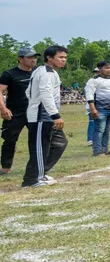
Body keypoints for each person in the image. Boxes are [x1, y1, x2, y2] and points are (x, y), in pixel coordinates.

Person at [22, 45, 69, 188]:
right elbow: (45, 94)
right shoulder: (45, 73)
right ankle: (31, 180)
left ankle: (40, 173)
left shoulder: (51, 72)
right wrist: (55, 115)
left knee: (60, 143)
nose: (63, 60)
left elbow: (28, 92)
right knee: (40, 148)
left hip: (47, 116)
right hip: (41, 117)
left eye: (65, 58)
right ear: (49, 58)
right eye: (60, 57)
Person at [0, 47, 37, 175]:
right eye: (30, 57)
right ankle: (5, 167)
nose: (34, 60)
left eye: (35, 57)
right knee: (9, 140)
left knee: (38, 139)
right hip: (15, 113)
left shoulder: (38, 72)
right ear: (20, 59)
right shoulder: (9, 74)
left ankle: (38, 166)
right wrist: (3, 108)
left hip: (35, 112)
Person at [85, 61, 110, 157]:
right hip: (100, 109)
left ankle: (105, 149)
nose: (109, 70)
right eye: (106, 68)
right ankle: (97, 150)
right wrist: (92, 108)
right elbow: (89, 94)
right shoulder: (93, 81)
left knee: (107, 130)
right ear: (100, 69)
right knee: (99, 130)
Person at [85, 66, 100, 146]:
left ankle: (98, 139)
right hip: (92, 105)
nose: (97, 73)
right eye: (96, 72)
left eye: (99, 71)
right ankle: (90, 139)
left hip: (102, 105)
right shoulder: (91, 81)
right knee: (92, 123)